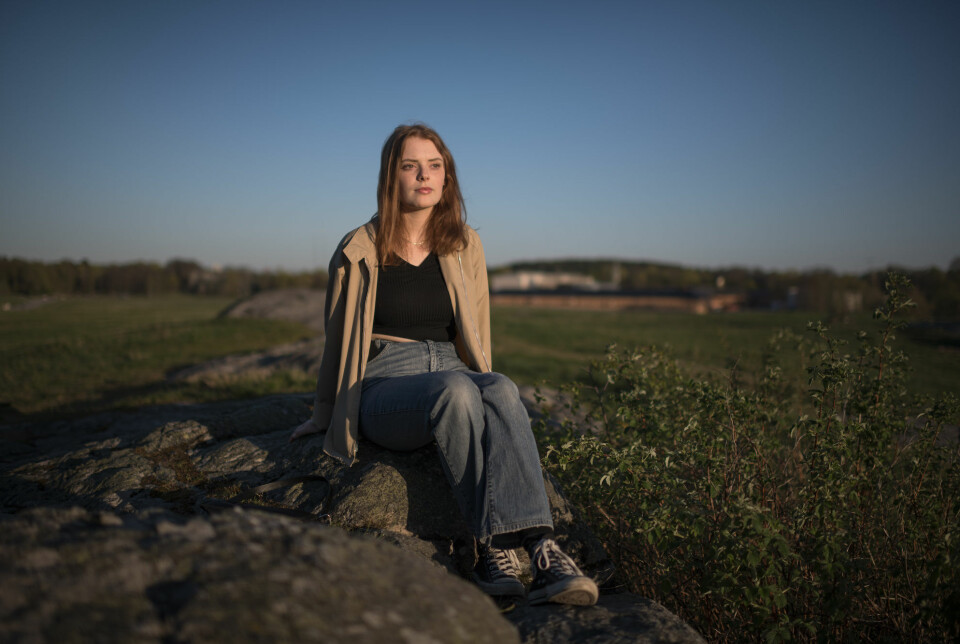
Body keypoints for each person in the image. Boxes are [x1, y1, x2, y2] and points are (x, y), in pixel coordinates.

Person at [290, 123, 598, 606]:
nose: (424, 176)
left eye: (435, 166)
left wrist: (488, 398)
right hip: (385, 384)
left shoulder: (464, 243)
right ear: (391, 177)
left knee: (499, 387)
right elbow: (337, 339)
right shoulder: (357, 249)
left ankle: (543, 549)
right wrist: (324, 414)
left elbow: (477, 330)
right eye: (410, 166)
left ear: (447, 178)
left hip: (453, 366)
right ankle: (494, 546)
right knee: (456, 389)